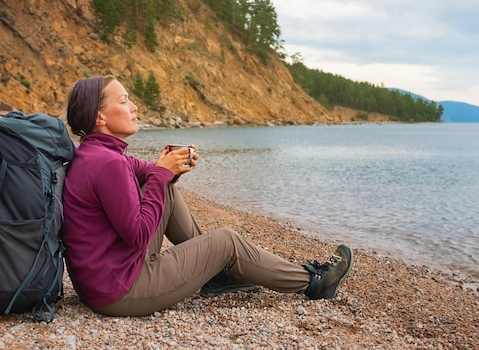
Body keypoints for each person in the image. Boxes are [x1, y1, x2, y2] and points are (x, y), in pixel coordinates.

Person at [61, 75, 353, 317]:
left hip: (105, 278)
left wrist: (169, 168)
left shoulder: (97, 154)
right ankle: (314, 282)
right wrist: (162, 174)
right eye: (124, 101)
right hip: (121, 290)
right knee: (226, 241)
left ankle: (216, 275)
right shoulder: (108, 163)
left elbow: (150, 173)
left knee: (167, 192)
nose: (134, 106)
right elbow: (138, 236)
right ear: (100, 116)